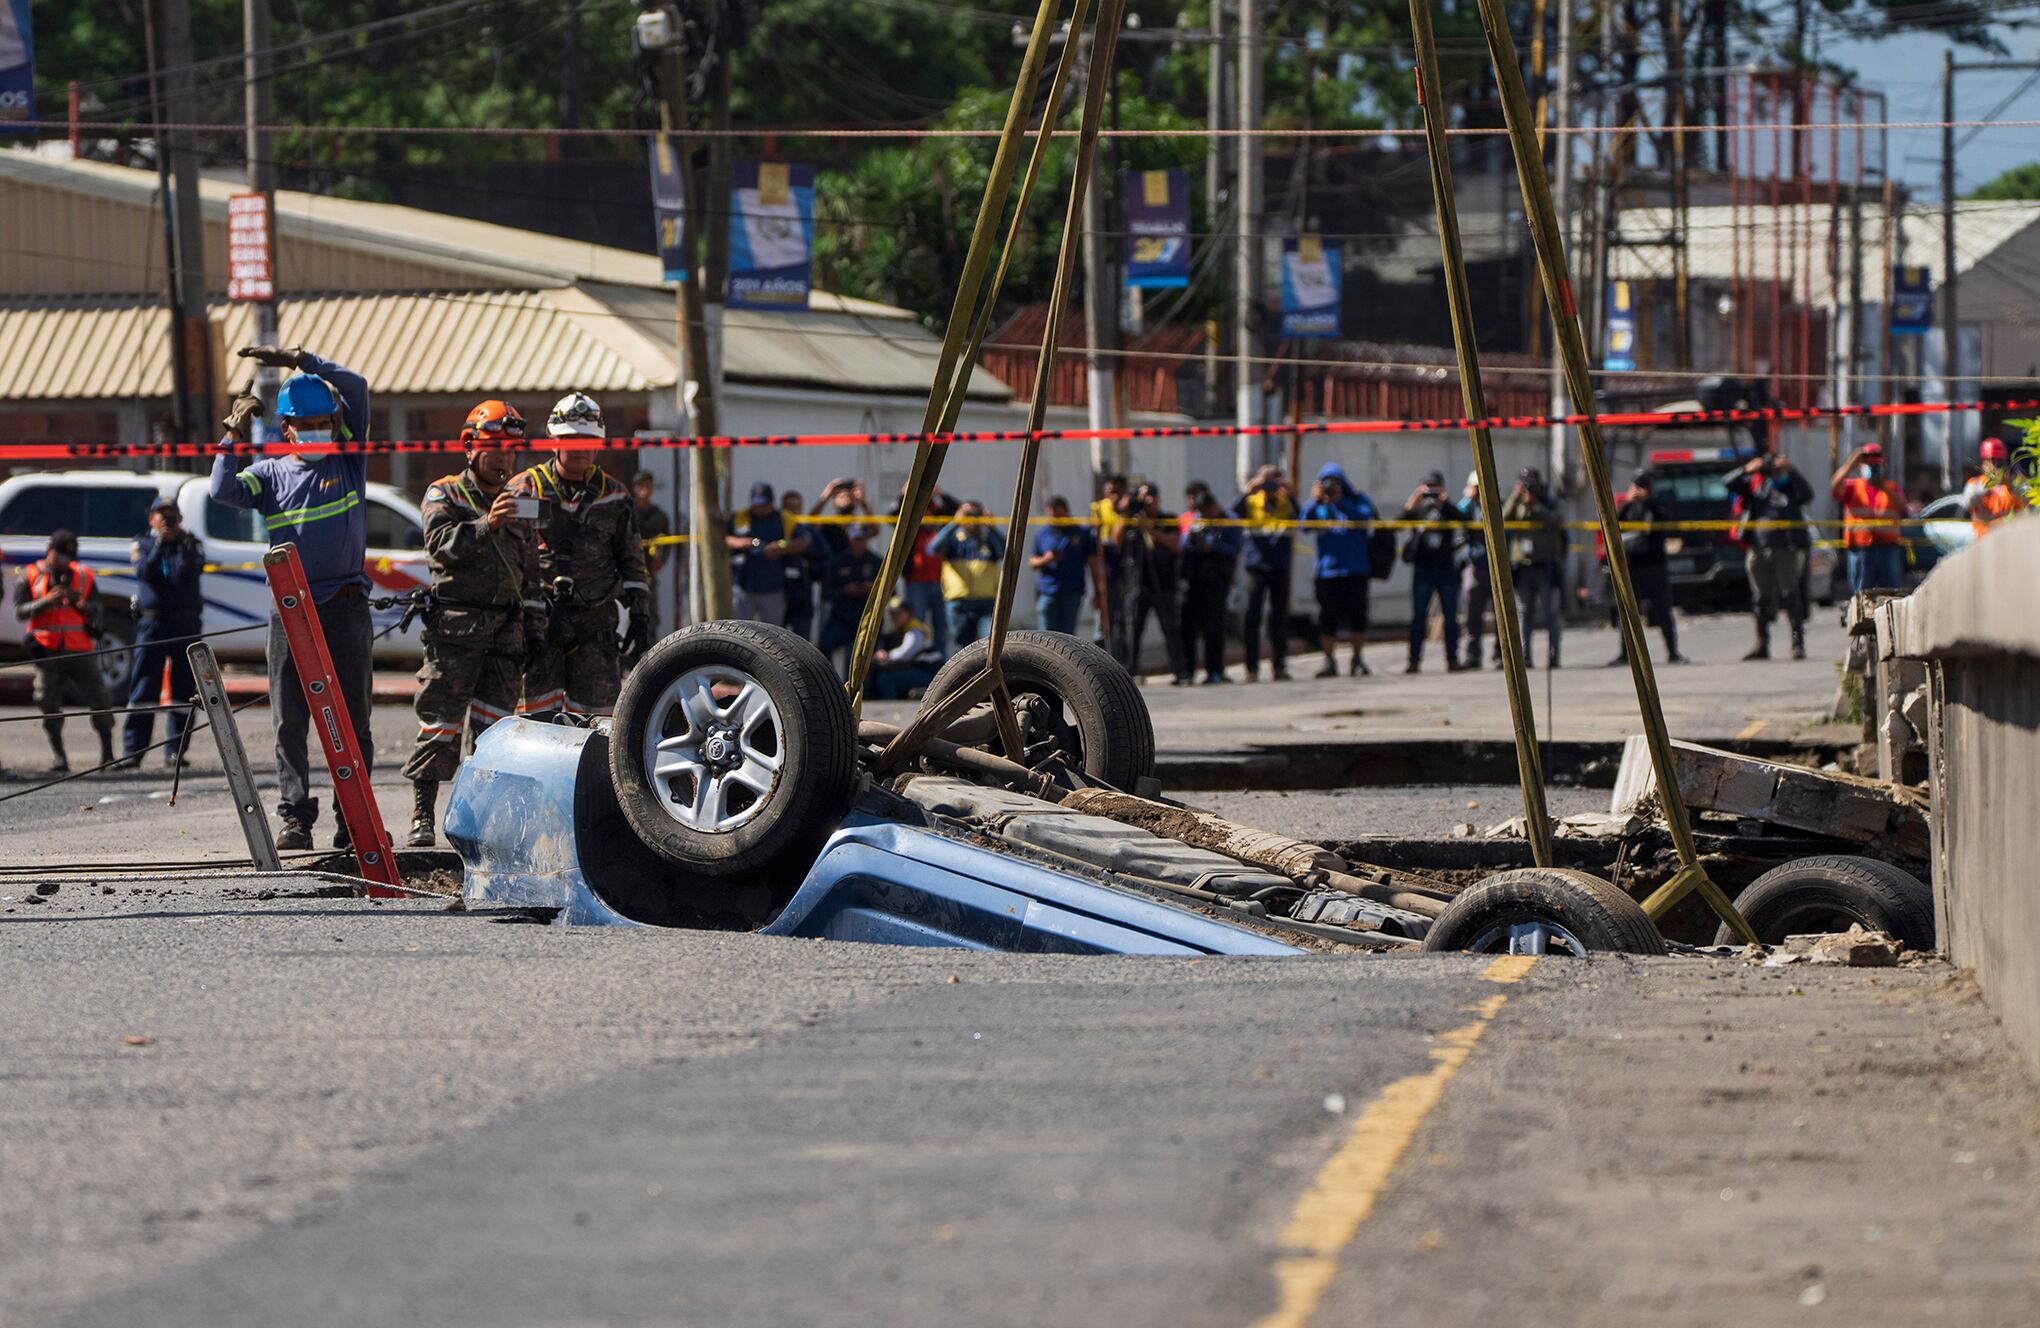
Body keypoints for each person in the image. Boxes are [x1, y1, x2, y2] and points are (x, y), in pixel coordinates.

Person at [210, 345, 375, 850]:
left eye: (325, 422)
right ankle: (296, 818)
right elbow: (220, 489)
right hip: (291, 611)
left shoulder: (348, 462)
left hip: (345, 605)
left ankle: (354, 820)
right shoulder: (268, 475)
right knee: (290, 720)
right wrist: (232, 435)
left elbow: (357, 387)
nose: (318, 431)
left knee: (354, 718)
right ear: (287, 430)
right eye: (307, 425)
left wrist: (303, 360)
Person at [399, 400, 545, 847]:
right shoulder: (444, 493)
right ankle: (422, 815)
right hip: (456, 631)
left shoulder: (522, 500)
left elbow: (529, 569)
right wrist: (486, 524)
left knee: (494, 732)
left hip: (506, 632)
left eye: (511, 450)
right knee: (440, 725)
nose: (504, 458)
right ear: (470, 448)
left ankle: (481, 822)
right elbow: (440, 547)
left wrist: (535, 628)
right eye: (495, 448)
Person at [508, 391, 650, 721]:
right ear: (552, 439)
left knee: (598, 722)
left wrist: (640, 615)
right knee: (535, 720)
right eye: (570, 440)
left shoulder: (614, 495)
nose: (579, 448)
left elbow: (632, 559)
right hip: (538, 624)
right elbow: (506, 558)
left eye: (587, 440)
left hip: (595, 624)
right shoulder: (524, 489)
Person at [12, 530, 115, 773]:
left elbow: (99, 608)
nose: (65, 561)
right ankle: (60, 757)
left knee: (100, 698)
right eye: (61, 555)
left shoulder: (83, 575)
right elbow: (20, 612)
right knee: (47, 701)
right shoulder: (30, 574)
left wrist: (84, 606)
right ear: (50, 551)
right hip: (46, 649)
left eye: (69, 557)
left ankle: (108, 755)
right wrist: (47, 600)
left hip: (79, 648)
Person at [119, 499, 204, 769]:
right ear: (151, 519)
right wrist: (159, 545)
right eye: (161, 516)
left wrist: (181, 545)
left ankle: (175, 751)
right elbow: (144, 571)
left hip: (185, 624)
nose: (167, 521)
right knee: (144, 686)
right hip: (153, 624)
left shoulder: (190, 543)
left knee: (183, 689)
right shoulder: (142, 543)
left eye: (172, 516)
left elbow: (192, 570)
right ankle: (133, 752)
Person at [1725, 450, 1814, 660]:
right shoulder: (1756, 486)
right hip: (1758, 546)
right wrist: (1747, 469)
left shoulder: (1790, 485)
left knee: (1790, 595)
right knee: (1760, 598)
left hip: (1786, 547)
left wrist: (1791, 470)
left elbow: (1808, 495)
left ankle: (1797, 644)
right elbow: (1728, 483)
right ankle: (1761, 644)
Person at [1603, 470, 1687, 667]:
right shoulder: (1627, 508)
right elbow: (1612, 523)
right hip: (1631, 566)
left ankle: (1673, 652)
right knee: (1628, 612)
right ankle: (1625, 654)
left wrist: (1648, 501)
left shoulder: (1657, 505)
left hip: (1654, 566)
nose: (1639, 490)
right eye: (1636, 486)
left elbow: (1665, 521)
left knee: (1663, 611)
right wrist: (1628, 501)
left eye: (1643, 486)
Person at [1302, 463, 1377, 678]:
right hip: (1328, 571)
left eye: (1335, 482)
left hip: (1356, 569)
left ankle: (1357, 658)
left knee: (1358, 616)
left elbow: (1365, 517)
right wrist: (1313, 500)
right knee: (1328, 618)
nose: (1331, 487)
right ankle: (1328, 661)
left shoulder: (1357, 499)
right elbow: (1304, 525)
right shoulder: (1319, 505)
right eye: (1326, 482)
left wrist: (1340, 501)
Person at [1113, 483, 1189, 680]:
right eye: (1142, 497)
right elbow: (1116, 540)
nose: (1147, 501)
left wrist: (1150, 528)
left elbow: (1175, 544)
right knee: (1132, 629)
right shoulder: (1130, 520)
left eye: (1151, 496)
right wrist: (1125, 513)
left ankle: (1180, 670)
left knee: (1170, 628)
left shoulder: (1168, 519)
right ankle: (1129, 671)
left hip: (1164, 583)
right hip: (1137, 584)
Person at [1229, 465, 1298, 681]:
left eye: (1273, 480)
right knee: (1252, 617)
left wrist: (1290, 493)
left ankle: (1279, 666)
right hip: (1256, 566)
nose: (1269, 485)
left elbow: (1302, 517)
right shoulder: (1251, 501)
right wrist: (1248, 490)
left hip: (1280, 566)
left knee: (1279, 618)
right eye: (1265, 480)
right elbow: (1231, 515)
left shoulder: (1286, 501)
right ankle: (1251, 668)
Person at [1400, 471, 1464, 674]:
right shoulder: (1418, 509)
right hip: (1423, 569)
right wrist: (1414, 499)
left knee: (1450, 616)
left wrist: (1446, 502)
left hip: (1446, 568)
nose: (1432, 493)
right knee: (1419, 617)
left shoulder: (1447, 510)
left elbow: (1463, 519)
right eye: (1428, 488)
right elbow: (1399, 522)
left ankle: (1452, 659)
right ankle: (1413, 661)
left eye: (1435, 487)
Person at [1176, 483, 1240, 684]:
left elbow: (1235, 548)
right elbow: (1182, 544)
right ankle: (1187, 671)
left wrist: (1213, 545)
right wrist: (1192, 536)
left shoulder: (1229, 520)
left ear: (1213, 506)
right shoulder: (1196, 520)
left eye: (1206, 511)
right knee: (1188, 627)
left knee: (1214, 627)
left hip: (1217, 582)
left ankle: (1215, 671)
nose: (1204, 515)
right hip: (1193, 582)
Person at [1829, 442, 1912, 594]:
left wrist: (1884, 489)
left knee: (1891, 592)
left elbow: (1902, 508)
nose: (1873, 469)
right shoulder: (1853, 487)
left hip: (1887, 548)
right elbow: (1834, 487)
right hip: (1860, 548)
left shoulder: (1891, 488)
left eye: (1875, 466)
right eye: (1869, 465)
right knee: (1862, 593)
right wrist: (1850, 465)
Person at [1503, 467, 1565, 669]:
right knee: (1524, 613)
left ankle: (1554, 655)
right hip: (1522, 566)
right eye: (1525, 484)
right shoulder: (1516, 502)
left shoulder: (1548, 500)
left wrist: (1536, 505)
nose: (1528, 488)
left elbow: (1557, 520)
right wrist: (1516, 497)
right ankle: (1524, 656)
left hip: (1545, 565)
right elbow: (1502, 519)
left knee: (1551, 613)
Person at [722, 481, 805, 628]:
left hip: (772, 588)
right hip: (743, 586)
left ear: (772, 502)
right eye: (757, 504)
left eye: (764, 504)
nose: (760, 508)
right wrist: (742, 543)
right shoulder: (740, 517)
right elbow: (723, 538)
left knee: (772, 632)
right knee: (737, 630)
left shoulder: (784, 518)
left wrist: (781, 547)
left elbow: (802, 541)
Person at [928, 500, 1004, 649]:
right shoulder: (953, 538)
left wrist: (992, 528)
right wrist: (954, 523)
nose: (972, 520)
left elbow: (1004, 551)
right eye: (968, 515)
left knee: (991, 644)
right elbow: (934, 548)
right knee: (962, 648)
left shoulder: (988, 538)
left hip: (986, 603)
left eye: (976, 515)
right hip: (959, 603)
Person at [898, 486, 958, 658]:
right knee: (917, 623)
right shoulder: (911, 514)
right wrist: (905, 494)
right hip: (916, 580)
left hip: (941, 581)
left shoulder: (938, 511)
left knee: (941, 624)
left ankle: (940, 660)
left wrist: (941, 493)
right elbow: (894, 515)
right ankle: (917, 658)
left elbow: (957, 511)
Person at [817, 523, 882, 674]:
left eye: (862, 540)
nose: (859, 543)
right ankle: (830, 680)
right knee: (824, 646)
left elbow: (891, 593)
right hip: (842, 618)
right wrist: (845, 590)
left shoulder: (877, 562)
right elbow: (826, 593)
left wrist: (872, 590)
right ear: (850, 540)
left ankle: (858, 686)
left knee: (859, 659)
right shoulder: (837, 562)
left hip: (867, 620)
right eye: (856, 540)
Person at [1029, 495, 1096, 634]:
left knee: (1068, 635)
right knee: (1046, 636)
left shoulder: (1081, 532)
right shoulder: (1042, 534)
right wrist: (1046, 559)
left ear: (1066, 511)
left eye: (1058, 515)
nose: (1055, 520)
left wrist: (1097, 590)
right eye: (1051, 516)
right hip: (1048, 590)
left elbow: (1092, 561)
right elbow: (1032, 562)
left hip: (1072, 590)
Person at [1456, 471, 1497, 671]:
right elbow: (1456, 513)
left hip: (1495, 566)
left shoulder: (1497, 504)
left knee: (1500, 614)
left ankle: (1501, 654)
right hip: (1474, 564)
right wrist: (1469, 498)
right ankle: (1472, 654)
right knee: (1472, 613)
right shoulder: (1468, 507)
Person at [869, 596, 944, 699]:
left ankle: (889, 706)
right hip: (919, 670)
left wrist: (886, 655)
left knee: (886, 679)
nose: (895, 617)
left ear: (908, 613)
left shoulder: (915, 631)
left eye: (899, 613)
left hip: (929, 674)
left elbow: (905, 654)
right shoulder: (899, 630)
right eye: (892, 613)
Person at [630, 469, 672, 636]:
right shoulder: (626, 512)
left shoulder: (659, 516)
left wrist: (660, 560)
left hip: (647, 572)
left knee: (650, 615)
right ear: (634, 487)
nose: (644, 489)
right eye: (641, 485)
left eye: (648, 485)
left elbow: (666, 542)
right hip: (625, 571)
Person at [1089, 474, 1129, 647]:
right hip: (1105, 567)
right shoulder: (1098, 508)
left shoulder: (1128, 508)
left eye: (1117, 491)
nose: (1113, 495)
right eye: (1110, 490)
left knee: (1124, 617)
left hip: (1126, 567)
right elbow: (1098, 541)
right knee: (1105, 616)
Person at [1961, 437, 2028, 538]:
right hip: (1983, 539)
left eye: (1999, 461)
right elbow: (1966, 503)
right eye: (1991, 460)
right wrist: (1985, 488)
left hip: (2011, 538)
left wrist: (2012, 488)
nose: (1995, 465)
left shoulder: (2015, 482)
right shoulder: (1975, 484)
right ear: (1983, 463)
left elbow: (2030, 500)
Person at [779, 489, 816, 641]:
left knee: (803, 642)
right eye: (789, 508)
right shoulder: (776, 529)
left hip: (802, 597)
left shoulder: (808, 532)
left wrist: (808, 567)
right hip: (780, 595)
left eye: (796, 507)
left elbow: (823, 558)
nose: (793, 512)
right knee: (775, 641)